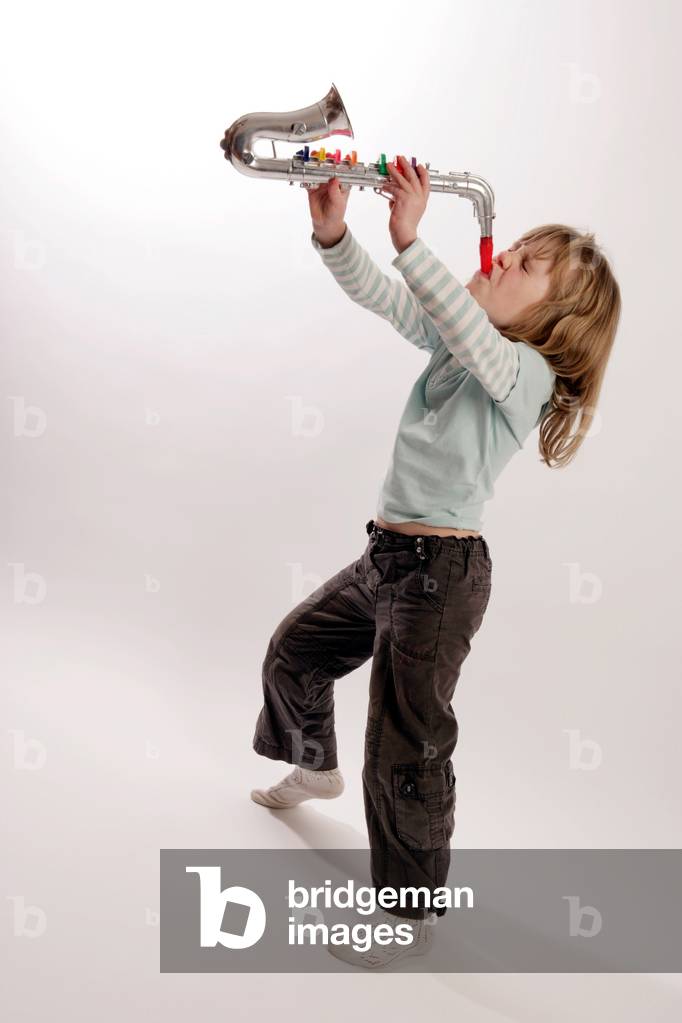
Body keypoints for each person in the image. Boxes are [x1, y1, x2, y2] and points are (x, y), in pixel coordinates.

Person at [250, 155, 622, 968]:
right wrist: (335, 231)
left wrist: (413, 236)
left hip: (440, 579)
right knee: (294, 650)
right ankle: (314, 768)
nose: (500, 260)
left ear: (554, 321)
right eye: (512, 247)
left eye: (523, 265)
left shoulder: (524, 372)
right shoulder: (462, 345)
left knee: (405, 747)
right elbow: (393, 299)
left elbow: (460, 321)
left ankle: (409, 914)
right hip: (386, 557)